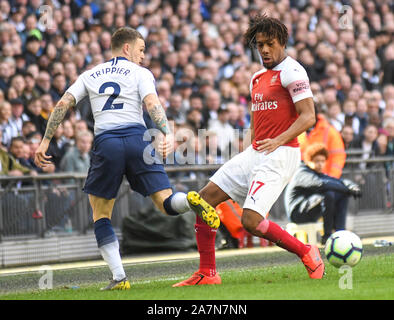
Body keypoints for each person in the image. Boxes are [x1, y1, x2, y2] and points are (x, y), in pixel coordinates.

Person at [34, 27, 220, 291]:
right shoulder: (140, 73)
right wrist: (166, 132)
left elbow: (63, 103)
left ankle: (119, 277)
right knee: (165, 202)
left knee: (101, 215)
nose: (143, 56)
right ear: (126, 48)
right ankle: (190, 200)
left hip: (107, 143)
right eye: (141, 50)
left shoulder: (89, 74)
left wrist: (45, 140)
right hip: (137, 140)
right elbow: (153, 104)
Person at [173, 14, 324, 287]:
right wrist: (250, 148)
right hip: (257, 151)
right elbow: (257, 117)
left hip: (281, 153)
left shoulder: (293, 71)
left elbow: (308, 116)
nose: (264, 50)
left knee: (251, 221)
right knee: (203, 200)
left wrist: (278, 140)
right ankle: (207, 273)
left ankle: (306, 251)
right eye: (259, 45)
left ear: (282, 43)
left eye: (270, 44)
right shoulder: (257, 77)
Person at [284, 143, 362, 245]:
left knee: (341, 194)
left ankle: (339, 233)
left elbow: (338, 181)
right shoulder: (302, 172)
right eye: (316, 161)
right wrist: (347, 189)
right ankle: (327, 235)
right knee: (328, 194)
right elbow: (321, 184)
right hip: (298, 213)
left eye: (322, 161)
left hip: (310, 208)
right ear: (308, 161)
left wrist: (352, 187)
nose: (320, 164)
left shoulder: (320, 174)